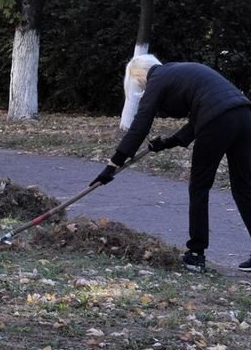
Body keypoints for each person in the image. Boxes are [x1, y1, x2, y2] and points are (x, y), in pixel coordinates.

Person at [91, 54, 251, 273]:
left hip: (218, 120)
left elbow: (140, 126)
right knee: (244, 188)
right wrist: (168, 143)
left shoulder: (157, 79)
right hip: (243, 114)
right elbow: (200, 117)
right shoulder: (178, 72)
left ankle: (196, 254)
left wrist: (114, 163)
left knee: (199, 187)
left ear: (138, 77)